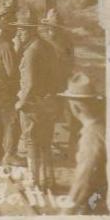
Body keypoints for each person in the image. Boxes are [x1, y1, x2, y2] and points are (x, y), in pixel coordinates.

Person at [14, 7, 60, 190]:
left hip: (33, 104)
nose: (19, 33)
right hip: (48, 101)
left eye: (22, 30)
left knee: (31, 141)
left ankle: (33, 181)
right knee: (46, 142)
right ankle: (48, 179)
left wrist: (20, 103)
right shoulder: (47, 46)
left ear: (30, 30)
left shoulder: (31, 51)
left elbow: (30, 82)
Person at [58, 73, 108, 215]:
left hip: (96, 208)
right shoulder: (104, 125)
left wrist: (65, 213)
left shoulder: (90, 136)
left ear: (75, 108)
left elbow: (83, 180)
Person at [40, 8, 77, 158]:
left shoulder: (66, 41)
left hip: (62, 81)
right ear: (47, 26)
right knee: (47, 116)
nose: (53, 30)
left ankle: (72, 148)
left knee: (70, 115)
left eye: (56, 27)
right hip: (47, 84)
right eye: (51, 26)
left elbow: (70, 61)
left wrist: (66, 76)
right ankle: (45, 146)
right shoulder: (42, 40)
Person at [0, 17, 23, 165]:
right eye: (14, 29)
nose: (16, 32)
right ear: (9, 30)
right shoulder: (7, 46)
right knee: (13, 119)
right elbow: (11, 71)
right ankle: (10, 154)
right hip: (5, 86)